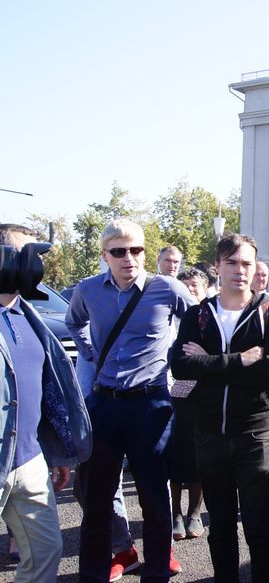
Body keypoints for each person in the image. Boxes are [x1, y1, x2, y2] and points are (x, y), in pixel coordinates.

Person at [66, 219, 195, 582]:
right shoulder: (88, 290)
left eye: (136, 249)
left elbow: (200, 321)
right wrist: (91, 353)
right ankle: (92, 574)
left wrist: (181, 360)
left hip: (150, 406)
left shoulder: (167, 289)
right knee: (96, 501)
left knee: (154, 498)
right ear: (105, 255)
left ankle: (156, 573)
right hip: (104, 405)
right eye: (119, 252)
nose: (129, 258)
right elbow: (74, 323)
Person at [170, 234, 269, 583]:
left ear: (255, 267)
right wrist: (238, 360)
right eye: (232, 262)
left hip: (256, 434)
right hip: (209, 434)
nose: (240, 270)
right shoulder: (198, 315)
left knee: (258, 526)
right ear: (218, 266)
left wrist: (209, 365)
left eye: (247, 263)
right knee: (220, 525)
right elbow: (181, 367)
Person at [0, 224, 92, 582]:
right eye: (29, 257)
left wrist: (54, 451)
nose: (36, 267)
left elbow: (42, 391)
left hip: (28, 459)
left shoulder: (29, 316)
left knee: (45, 552)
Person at [169, 268, 210, 542]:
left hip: (207, 396)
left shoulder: (213, 318)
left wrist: (206, 359)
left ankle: (195, 512)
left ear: (205, 289)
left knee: (201, 457)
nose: (189, 291)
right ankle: (174, 514)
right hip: (177, 393)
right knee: (176, 455)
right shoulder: (167, 317)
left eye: (194, 286)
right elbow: (178, 361)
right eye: (184, 287)